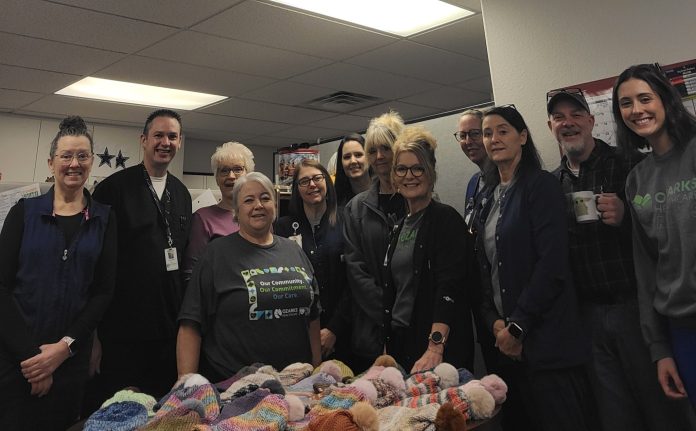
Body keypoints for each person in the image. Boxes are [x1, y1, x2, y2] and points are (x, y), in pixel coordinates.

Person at [549, 87, 694, 429]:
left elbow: (657, 240)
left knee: (662, 409)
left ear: (591, 121)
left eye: (576, 115)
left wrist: (625, 217)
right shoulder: (551, 184)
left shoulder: (631, 165)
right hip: (588, 315)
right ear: (550, 127)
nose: (568, 123)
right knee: (615, 416)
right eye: (559, 117)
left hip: (635, 307)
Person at [474, 105, 594, 431]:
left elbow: (552, 264)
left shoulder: (541, 186)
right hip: (506, 345)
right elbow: (484, 268)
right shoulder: (487, 197)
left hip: (547, 343)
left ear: (523, 137)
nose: (494, 139)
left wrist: (518, 327)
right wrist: (495, 322)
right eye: (487, 133)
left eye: (503, 131)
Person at [0, 116, 116, 430]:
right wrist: (33, 360)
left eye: (82, 156)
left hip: (70, 361)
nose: (74, 163)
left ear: (91, 162)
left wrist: (63, 349)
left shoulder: (104, 219)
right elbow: (2, 287)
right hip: (17, 361)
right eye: (66, 156)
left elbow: (103, 292)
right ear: (52, 163)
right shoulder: (24, 213)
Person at [177, 172, 321, 380]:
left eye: (265, 198)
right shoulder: (216, 254)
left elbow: (313, 317)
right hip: (235, 386)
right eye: (248, 200)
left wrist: (316, 372)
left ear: (275, 205)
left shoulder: (294, 251)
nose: (258, 205)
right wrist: (187, 384)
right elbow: (191, 323)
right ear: (236, 211)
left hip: (297, 385)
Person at [91, 109, 192, 401]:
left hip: (167, 331)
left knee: (162, 410)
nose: (165, 142)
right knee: (120, 410)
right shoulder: (112, 190)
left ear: (179, 142)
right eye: (158, 135)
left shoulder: (182, 194)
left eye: (172, 136)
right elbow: (95, 265)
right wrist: (93, 337)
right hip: (122, 331)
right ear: (144, 140)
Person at [614, 63, 696, 408]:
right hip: (682, 329)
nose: (636, 110)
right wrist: (659, 349)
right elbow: (646, 268)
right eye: (626, 103)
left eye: (645, 98)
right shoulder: (637, 180)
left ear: (665, 98)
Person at [383, 125, 474, 373]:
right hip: (401, 340)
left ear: (430, 172)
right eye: (401, 169)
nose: (409, 176)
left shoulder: (446, 219)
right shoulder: (398, 226)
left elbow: (450, 286)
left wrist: (435, 346)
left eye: (418, 168)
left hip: (435, 346)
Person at [344, 111, 406, 371]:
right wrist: (387, 313)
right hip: (371, 331)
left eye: (386, 148)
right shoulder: (356, 208)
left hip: (413, 327)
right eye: (372, 150)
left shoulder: (419, 201)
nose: (379, 156)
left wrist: (403, 313)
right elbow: (356, 269)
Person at [275, 160, 350, 364]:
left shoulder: (346, 220)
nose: (312, 185)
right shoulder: (283, 228)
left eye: (317, 178)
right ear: (297, 189)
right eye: (304, 181)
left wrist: (334, 329)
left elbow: (354, 279)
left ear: (327, 182)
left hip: (342, 331)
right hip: (298, 332)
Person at [455, 109, 497, 375]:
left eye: (475, 134)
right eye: (462, 136)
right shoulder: (474, 183)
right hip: (481, 299)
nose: (468, 141)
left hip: (502, 299)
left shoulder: (504, 180)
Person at [183, 141, 254, 282]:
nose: (231, 176)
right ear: (216, 178)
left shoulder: (258, 216)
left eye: (238, 169)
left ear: (248, 175)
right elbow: (191, 273)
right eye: (224, 170)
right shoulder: (203, 219)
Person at [334, 133, 371, 208]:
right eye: (347, 157)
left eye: (358, 155)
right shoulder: (335, 203)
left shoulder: (385, 191)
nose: (353, 161)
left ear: (369, 157)